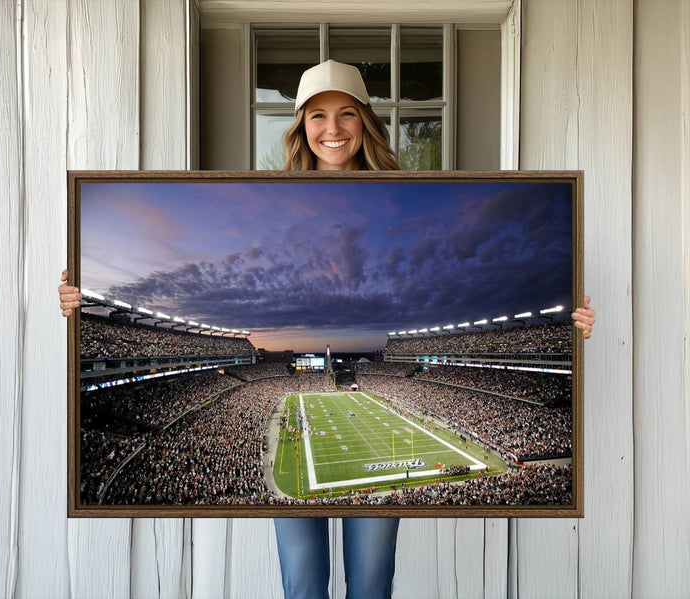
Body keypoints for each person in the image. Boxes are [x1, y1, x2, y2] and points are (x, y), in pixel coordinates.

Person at [58, 60, 596, 599]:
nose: (332, 129)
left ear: (365, 121)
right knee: (303, 581)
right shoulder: (270, 201)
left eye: (346, 114)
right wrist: (81, 302)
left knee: (371, 582)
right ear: (300, 126)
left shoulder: (408, 196)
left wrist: (569, 322)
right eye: (318, 115)